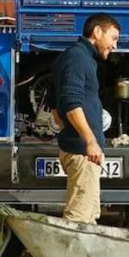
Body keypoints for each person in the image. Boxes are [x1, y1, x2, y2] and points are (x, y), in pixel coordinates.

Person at [52, 13, 120, 223]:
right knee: (78, 219)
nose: (115, 46)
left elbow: (54, 103)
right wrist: (90, 142)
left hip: (84, 152)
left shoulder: (77, 57)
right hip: (83, 154)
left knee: (89, 217)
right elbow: (72, 103)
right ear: (97, 32)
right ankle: (70, 248)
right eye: (113, 38)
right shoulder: (78, 58)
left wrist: (68, 129)